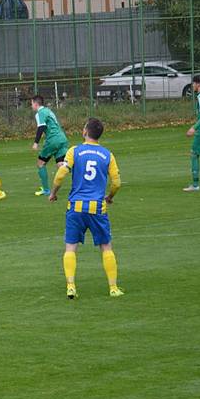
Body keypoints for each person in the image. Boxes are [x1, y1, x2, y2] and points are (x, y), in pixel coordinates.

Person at [49, 118, 123, 299]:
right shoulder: (107, 155)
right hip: (97, 207)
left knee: (70, 247)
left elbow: (60, 175)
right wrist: (110, 197)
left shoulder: (75, 151)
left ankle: (71, 286)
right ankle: (113, 288)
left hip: (76, 207)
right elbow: (116, 183)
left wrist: (53, 193)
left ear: (85, 131)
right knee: (106, 247)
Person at [30, 95, 68, 197]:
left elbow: (41, 127)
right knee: (61, 165)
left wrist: (36, 143)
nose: (31, 106)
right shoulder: (48, 111)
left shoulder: (40, 113)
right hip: (62, 138)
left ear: (36, 104)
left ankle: (46, 190)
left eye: (31, 103)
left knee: (40, 164)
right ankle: (85, 173)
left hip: (53, 140)